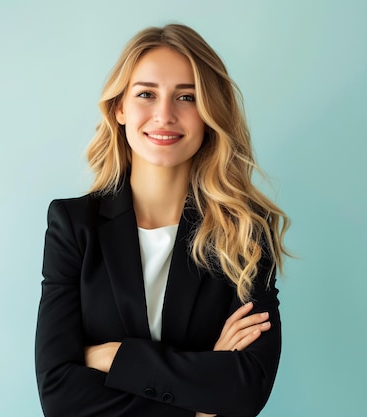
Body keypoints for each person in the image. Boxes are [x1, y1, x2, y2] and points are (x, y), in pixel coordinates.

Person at [34, 24, 290, 417]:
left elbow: (245, 390)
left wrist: (116, 357)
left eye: (186, 96)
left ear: (209, 112)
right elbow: (59, 397)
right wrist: (201, 397)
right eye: (146, 94)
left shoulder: (246, 231)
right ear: (119, 108)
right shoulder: (73, 226)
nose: (165, 114)